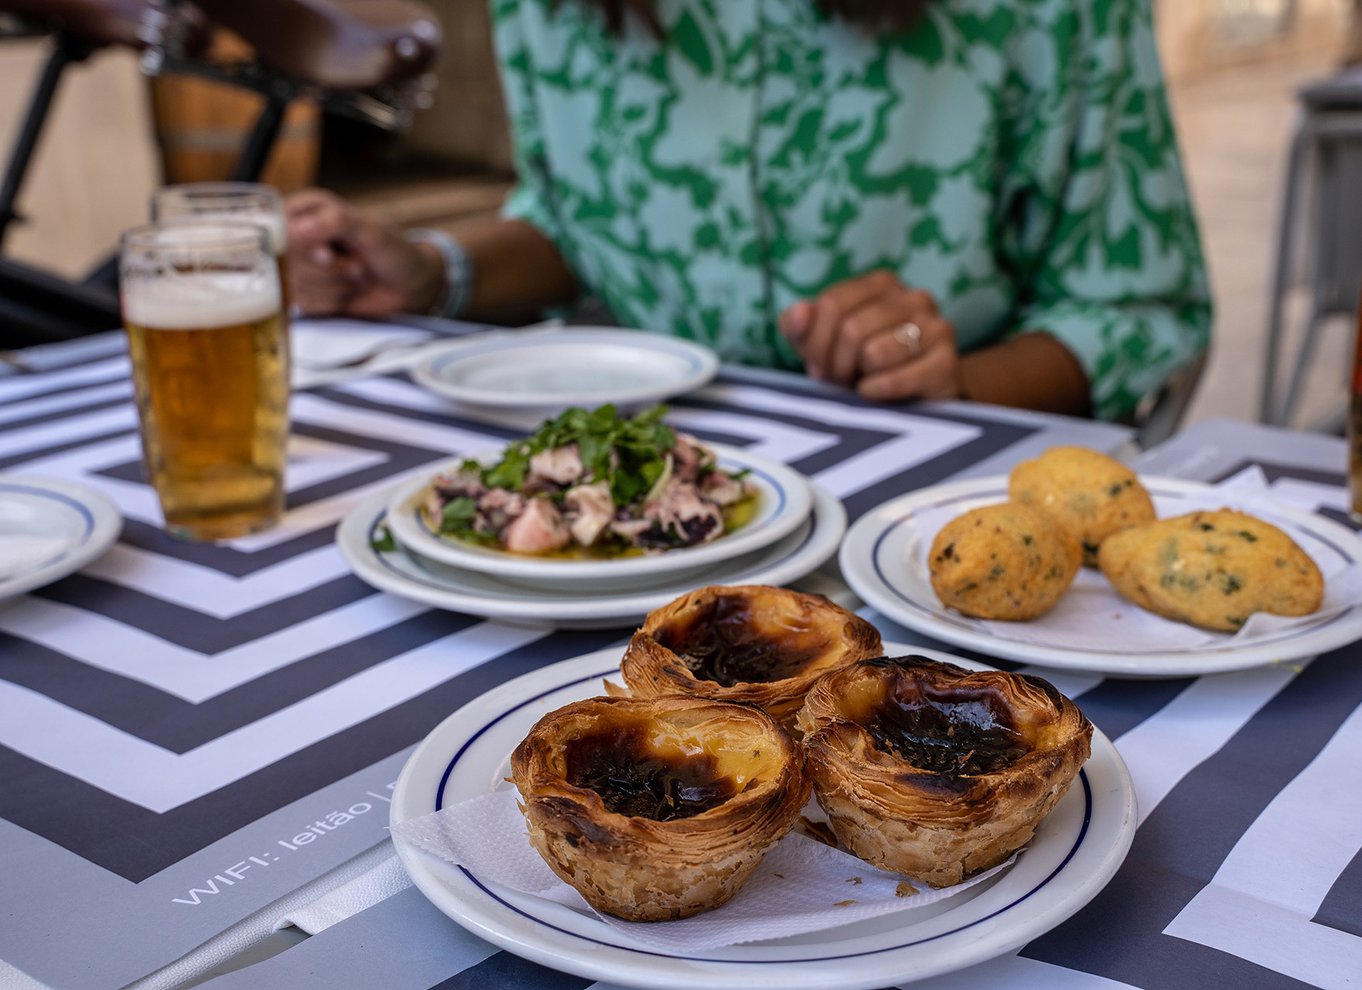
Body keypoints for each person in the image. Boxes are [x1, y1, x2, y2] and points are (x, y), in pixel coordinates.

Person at [287, 0, 1211, 423]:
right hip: (648, 499)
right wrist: (432, 269)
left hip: (926, 510)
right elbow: (584, 222)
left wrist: (953, 382)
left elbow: (1136, 310)